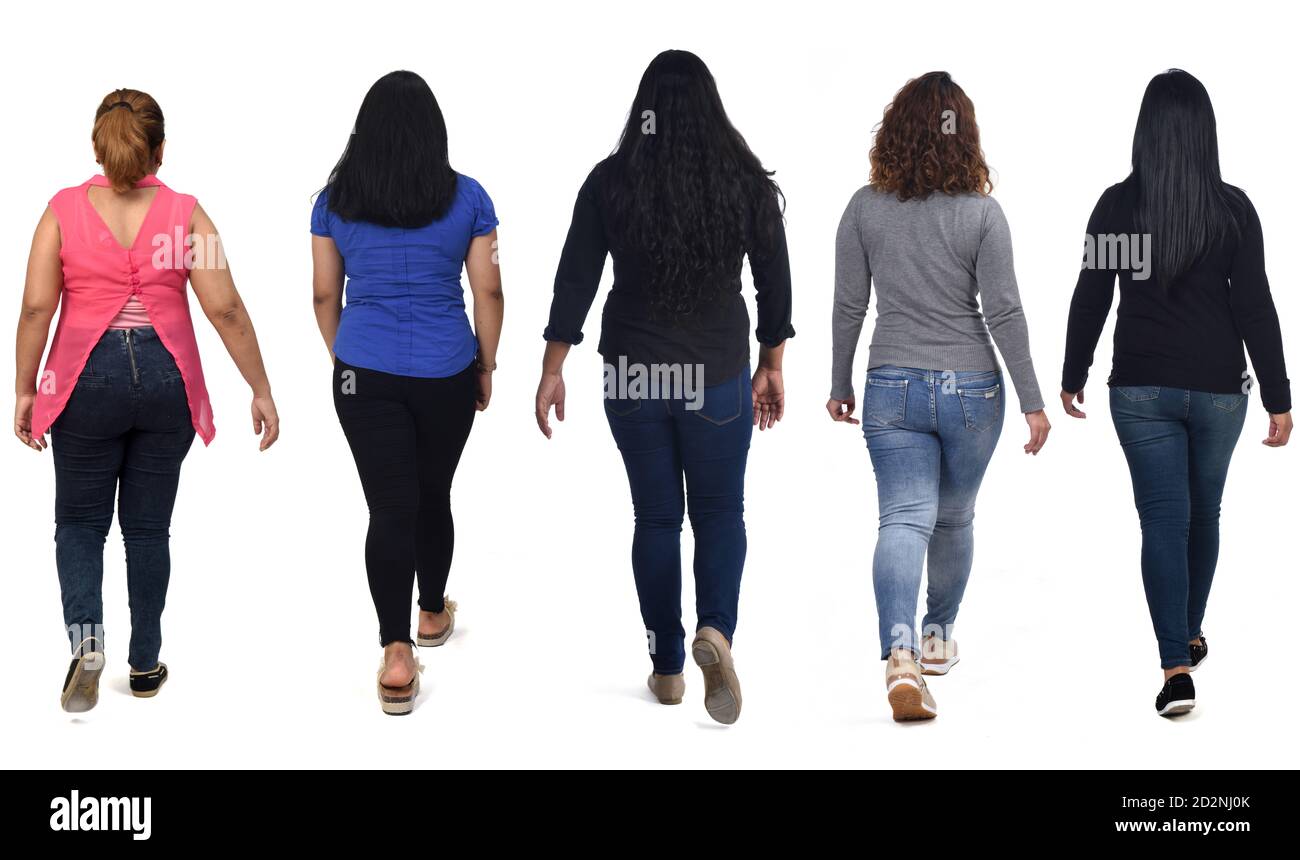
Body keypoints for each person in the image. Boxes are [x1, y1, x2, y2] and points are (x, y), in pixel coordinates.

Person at [535, 50, 793, 725]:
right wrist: (772, 363)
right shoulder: (744, 184)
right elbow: (775, 284)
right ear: (712, 109)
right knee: (719, 514)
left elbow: (576, 278)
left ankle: (668, 667)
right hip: (716, 376)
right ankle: (717, 632)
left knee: (655, 518)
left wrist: (552, 367)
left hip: (633, 374)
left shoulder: (611, 181)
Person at [14, 88, 280, 712]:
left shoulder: (60, 211)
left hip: (83, 381)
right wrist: (260, 387)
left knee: (79, 522)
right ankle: (144, 662)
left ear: (98, 149)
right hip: (167, 382)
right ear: (160, 149)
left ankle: (86, 643)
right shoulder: (189, 215)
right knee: (148, 529)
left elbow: (34, 308)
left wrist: (27, 387)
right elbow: (226, 308)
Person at [1061, 69, 1292, 716]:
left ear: (1146, 131)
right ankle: (1186, 633)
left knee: (1164, 519)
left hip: (1140, 390)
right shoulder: (1232, 210)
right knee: (1204, 514)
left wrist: (1073, 373)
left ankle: (1176, 665)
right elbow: (1254, 307)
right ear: (1204, 132)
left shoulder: (1118, 206)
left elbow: (1093, 296)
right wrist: (1279, 396)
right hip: (1220, 391)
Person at [828, 72, 1050, 722]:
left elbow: (849, 305)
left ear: (893, 133)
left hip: (891, 386)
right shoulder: (984, 215)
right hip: (972, 391)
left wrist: (840, 383)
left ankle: (897, 652)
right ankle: (935, 637)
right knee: (952, 519)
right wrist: (1034, 400)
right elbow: (1003, 312)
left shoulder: (864, 208)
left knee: (902, 519)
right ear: (965, 137)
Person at [311, 71, 503, 716]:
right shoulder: (470, 198)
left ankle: (395, 654)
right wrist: (487, 365)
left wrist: (348, 358)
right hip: (447, 371)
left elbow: (322, 295)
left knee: (388, 508)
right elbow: (489, 293)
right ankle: (429, 615)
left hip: (362, 372)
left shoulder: (333, 201)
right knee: (432, 493)